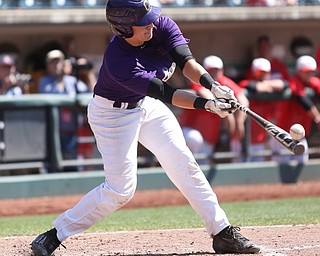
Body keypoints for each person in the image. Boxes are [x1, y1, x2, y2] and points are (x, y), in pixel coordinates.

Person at [31, 1, 260, 255]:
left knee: (183, 162)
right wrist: (207, 105)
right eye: (143, 21)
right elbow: (166, 93)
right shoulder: (119, 60)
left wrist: (213, 85)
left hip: (145, 106)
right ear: (124, 28)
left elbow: (186, 62)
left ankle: (222, 231)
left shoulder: (161, 25)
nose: (151, 23)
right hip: (111, 115)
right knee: (121, 190)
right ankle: (54, 234)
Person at [179, 55, 249, 164]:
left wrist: (239, 121)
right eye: (212, 70)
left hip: (209, 139)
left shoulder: (223, 81)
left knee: (202, 168)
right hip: (189, 132)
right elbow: (206, 94)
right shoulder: (198, 79)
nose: (215, 72)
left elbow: (243, 99)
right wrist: (228, 113)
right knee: (194, 139)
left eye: (218, 69)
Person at [38, 49, 90, 172]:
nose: (56, 65)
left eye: (58, 61)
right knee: (53, 169)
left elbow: (89, 95)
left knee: (73, 167)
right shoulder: (45, 81)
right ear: (47, 65)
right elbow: (52, 95)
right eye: (52, 62)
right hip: (52, 134)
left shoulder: (72, 81)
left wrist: (88, 73)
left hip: (71, 133)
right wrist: (61, 77)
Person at [239, 57, 289, 161]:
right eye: (259, 72)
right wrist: (269, 87)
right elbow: (254, 87)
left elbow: (285, 84)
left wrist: (268, 85)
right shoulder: (245, 84)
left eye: (265, 73)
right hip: (244, 138)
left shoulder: (270, 85)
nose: (262, 75)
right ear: (253, 72)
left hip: (259, 138)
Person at [274, 55, 320, 163]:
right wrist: (317, 117)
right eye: (305, 72)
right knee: (281, 168)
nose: (309, 74)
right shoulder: (293, 81)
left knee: (302, 166)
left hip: (300, 135)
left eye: (311, 71)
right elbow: (303, 100)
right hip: (283, 135)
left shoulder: (313, 82)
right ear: (298, 71)